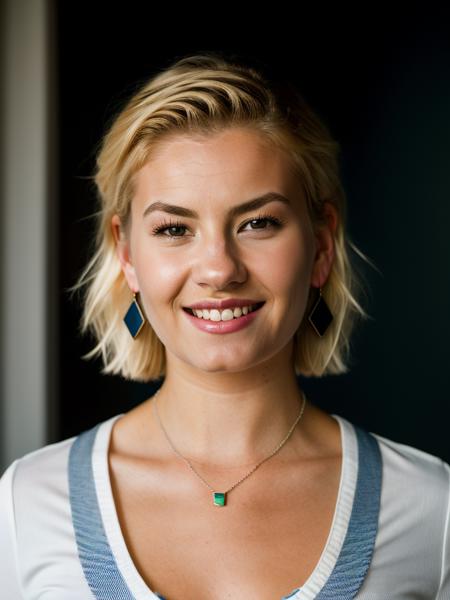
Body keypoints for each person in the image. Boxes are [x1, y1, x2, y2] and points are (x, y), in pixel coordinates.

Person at [0, 50, 449, 600]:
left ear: (322, 246)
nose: (219, 269)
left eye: (258, 223)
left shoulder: (433, 508)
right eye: (173, 229)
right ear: (127, 254)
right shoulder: (27, 503)